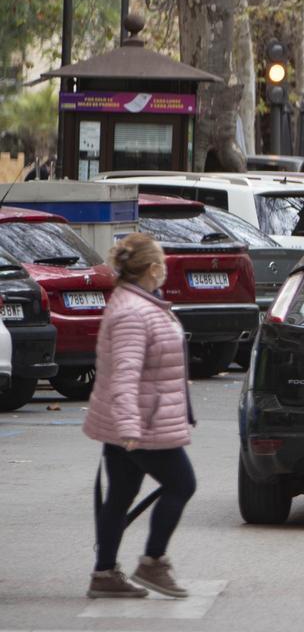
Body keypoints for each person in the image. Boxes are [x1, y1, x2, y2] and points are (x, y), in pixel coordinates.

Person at [83, 233, 196, 600]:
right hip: (141, 424)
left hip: (136, 419)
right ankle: (152, 563)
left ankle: (104, 575)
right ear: (151, 268)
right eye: (162, 262)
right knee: (182, 484)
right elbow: (125, 373)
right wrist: (130, 427)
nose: (165, 269)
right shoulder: (134, 312)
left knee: (120, 495)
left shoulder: (142, 303)